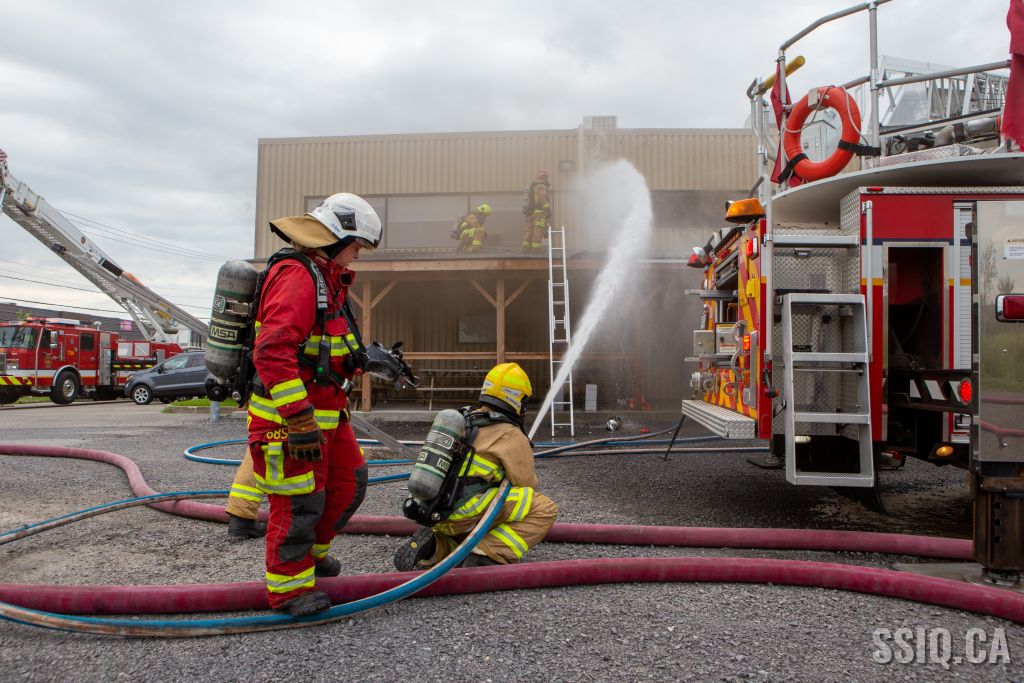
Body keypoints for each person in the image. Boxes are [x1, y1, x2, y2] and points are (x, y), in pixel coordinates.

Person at [244, 193, 381, 617]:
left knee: (348, 484)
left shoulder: (326, 279)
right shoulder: (298, 276)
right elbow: (272, 352)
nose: (357, 256)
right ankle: (289, 590)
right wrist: (299, 418)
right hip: (290, 422)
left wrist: (359, 359)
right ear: (335, 239)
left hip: (327, 416)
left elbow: (322, 347)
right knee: (299, 503)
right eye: (356, 247)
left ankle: (311, 559)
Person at [394, 363, 558, 571]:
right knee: (543, 508)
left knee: (479, 510)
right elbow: (527, 483)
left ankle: (436, 547)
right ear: (516, 398)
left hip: (435, 511)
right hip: (465, 513)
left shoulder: (465, 420)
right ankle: (486, 553)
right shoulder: (510, 434)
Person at [521, 170, 552, 254]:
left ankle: (526, 248)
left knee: (529, 230)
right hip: (539, 213)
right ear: (545, 177)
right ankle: (536, 249)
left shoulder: (532, 186)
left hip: (530, 213)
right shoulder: (541, 186)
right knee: (538, 230)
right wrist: (547, 209)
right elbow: (542, 197)